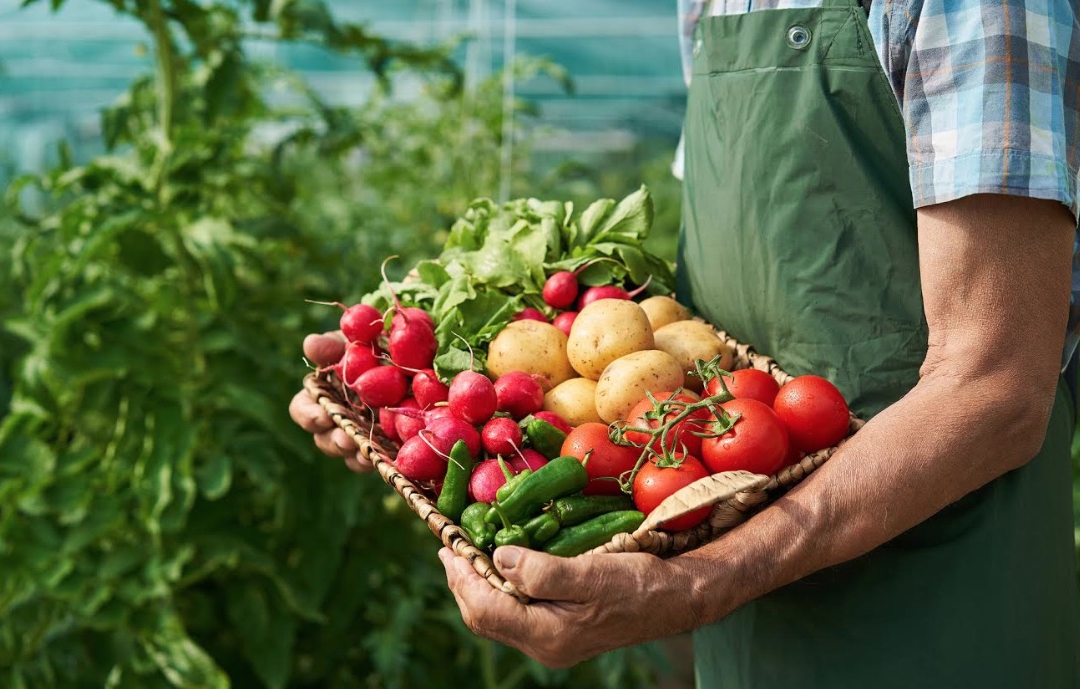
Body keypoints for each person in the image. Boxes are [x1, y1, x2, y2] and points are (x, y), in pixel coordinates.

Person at [290, 0, 1080, 684]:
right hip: (746, 581)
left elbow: (995, 388)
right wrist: (416, 403)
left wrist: (700, 582)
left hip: (936, 598)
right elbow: (743, 276)